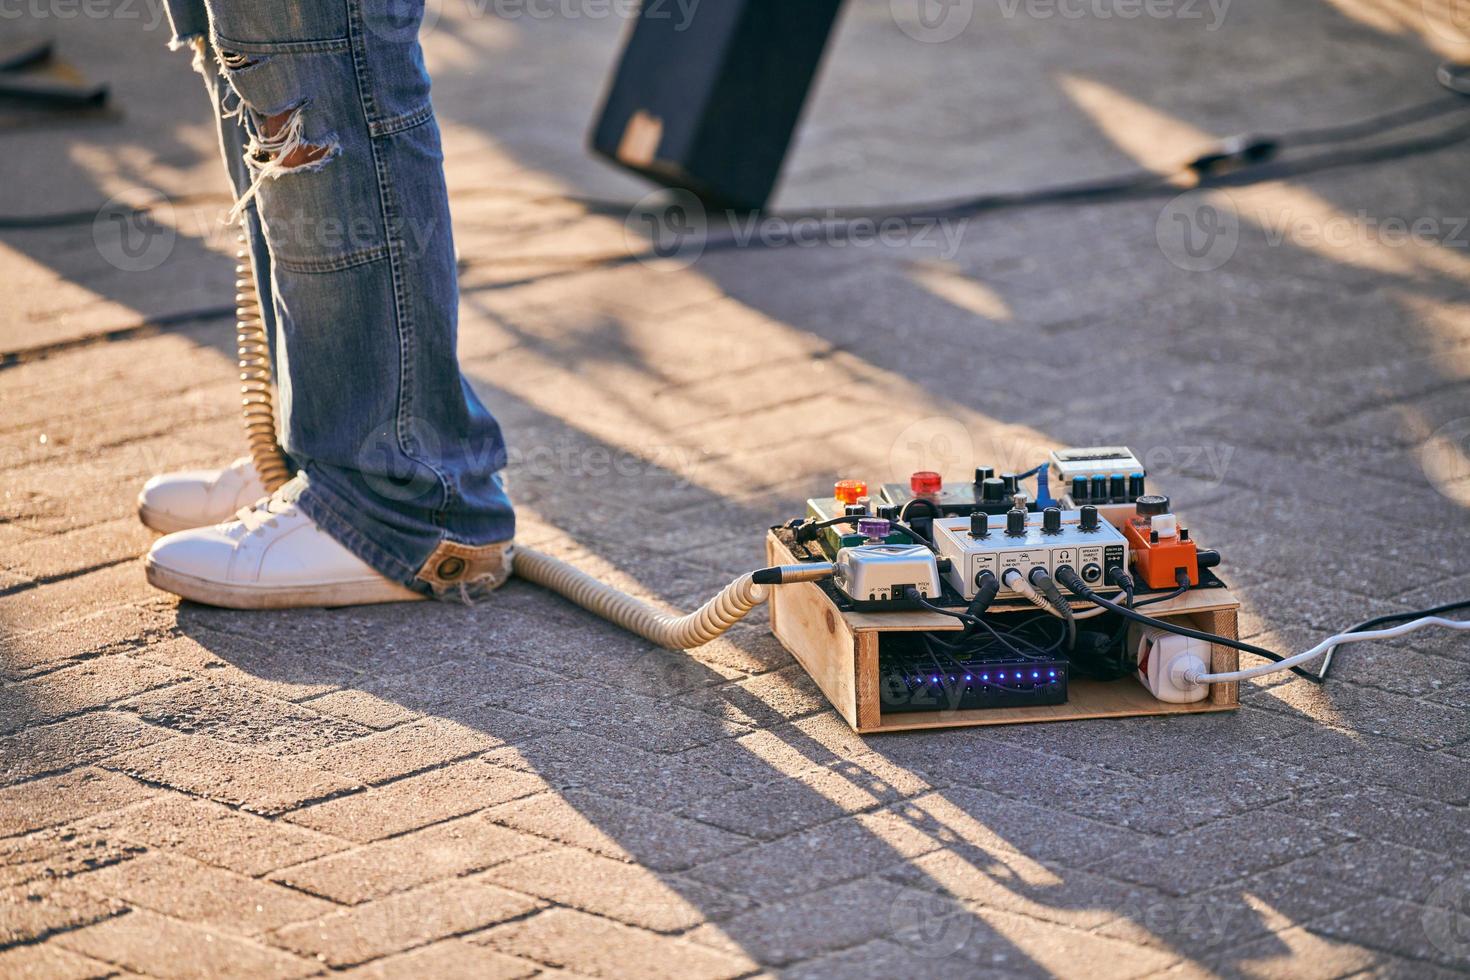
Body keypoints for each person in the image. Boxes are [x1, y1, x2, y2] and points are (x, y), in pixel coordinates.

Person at [138, 0, 516, 609]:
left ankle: (398, 498)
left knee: (320, 47)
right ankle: (321, 445)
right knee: (245, 44)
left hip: (404, 515)